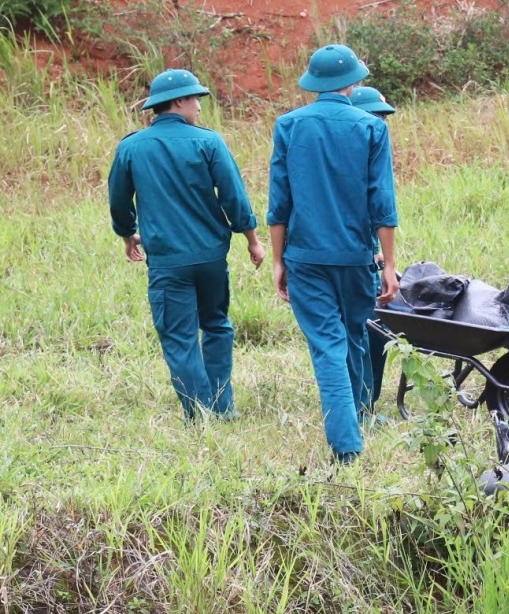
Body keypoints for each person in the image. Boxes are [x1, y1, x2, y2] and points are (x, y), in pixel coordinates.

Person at [107, 69, 264, 420]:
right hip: (211, 258)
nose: (199, 106)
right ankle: (222, 407)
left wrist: (127, 233)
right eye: (195, 99)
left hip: (167, 263)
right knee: (217, 324)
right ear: (178, 102)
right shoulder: (209, 142)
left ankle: (201, 413)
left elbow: (119, 201)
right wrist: (252, 239)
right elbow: (234, 196)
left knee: (179, 338)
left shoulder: (130, 147)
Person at [268, 45, 399, 463]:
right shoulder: (371, 128)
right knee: (356, 334)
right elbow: (383, 202)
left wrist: (277, 260)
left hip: (304, 258)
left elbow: (279, 202)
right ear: (354, 83)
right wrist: (390, 264)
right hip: (356, 256)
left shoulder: (288, 125)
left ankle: (347, 443)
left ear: (314, 83)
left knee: (329, 345)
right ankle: (358, 418)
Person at [349, 85, 397, 408]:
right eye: (376, 116)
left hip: (359, 253)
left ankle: (365, 399)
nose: (382, 124)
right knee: (368, 328)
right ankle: (363, 403)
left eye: (383, 117)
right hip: (354, 259)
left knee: (370, 329)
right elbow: (381, 205)